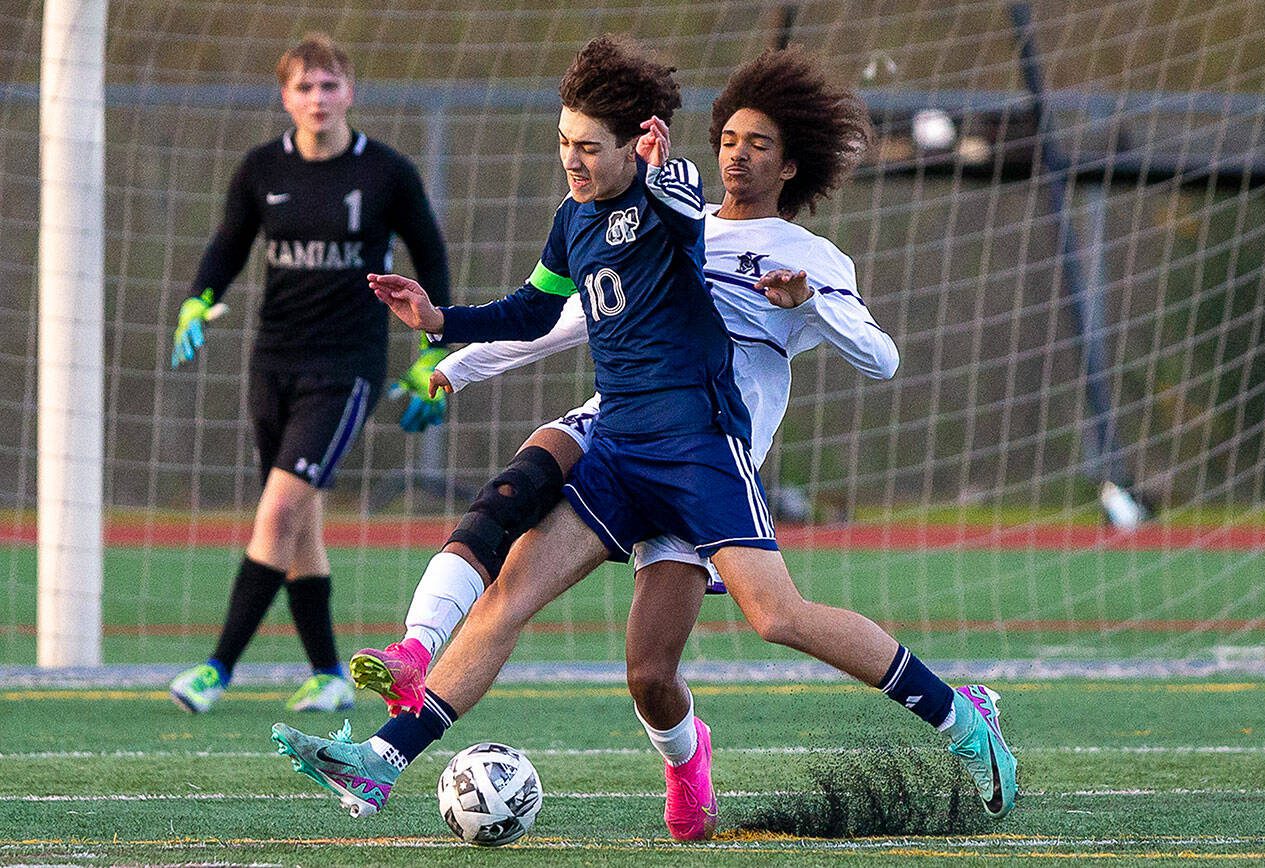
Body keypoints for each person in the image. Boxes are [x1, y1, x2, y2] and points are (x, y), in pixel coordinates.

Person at [272, 39, 1017, 835]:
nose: (736, 155)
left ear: (790, 165)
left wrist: (811, 303)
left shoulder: (763, 238)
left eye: (758, 145)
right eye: (727, 137)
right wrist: (452, 352)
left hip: (705, 450)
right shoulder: (616, 218)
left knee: (748, 629)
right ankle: (383, 758)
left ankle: (962, 718)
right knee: (514, 595)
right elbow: (552, 314)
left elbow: (880, 355)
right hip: (621, 437)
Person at [167, 33, 452, 714]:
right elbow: (228, 246)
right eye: (304, 86)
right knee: (301, 522)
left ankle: (216, 669)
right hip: (273, 361)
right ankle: (328, 673)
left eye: (329, 85)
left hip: (345, 367)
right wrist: (196, 302)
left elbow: (432, 256)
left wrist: (433, 352)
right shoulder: (261, 168)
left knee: (281, 508)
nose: (317, 98)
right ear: (285, 95)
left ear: (349, 91)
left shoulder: (386, 172)